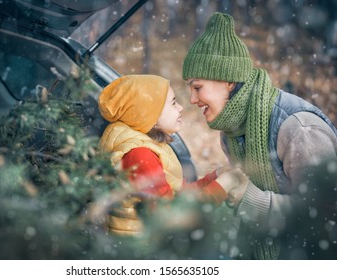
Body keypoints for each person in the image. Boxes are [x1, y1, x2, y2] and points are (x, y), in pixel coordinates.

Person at [182, 12, 337, 259]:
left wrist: (251, 198)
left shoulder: (299, 129)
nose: (192, 99)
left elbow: (326, 215)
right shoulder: (231, 131)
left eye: (197, 87)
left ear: (228, 82)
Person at [98, 74, 240, 236]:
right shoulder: (139, 154)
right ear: (150, 114)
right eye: (173, 103)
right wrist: (225, 184)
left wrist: (215, 177)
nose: (180, 108)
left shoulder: (146, 145)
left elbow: (179, 192)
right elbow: (171, 218)